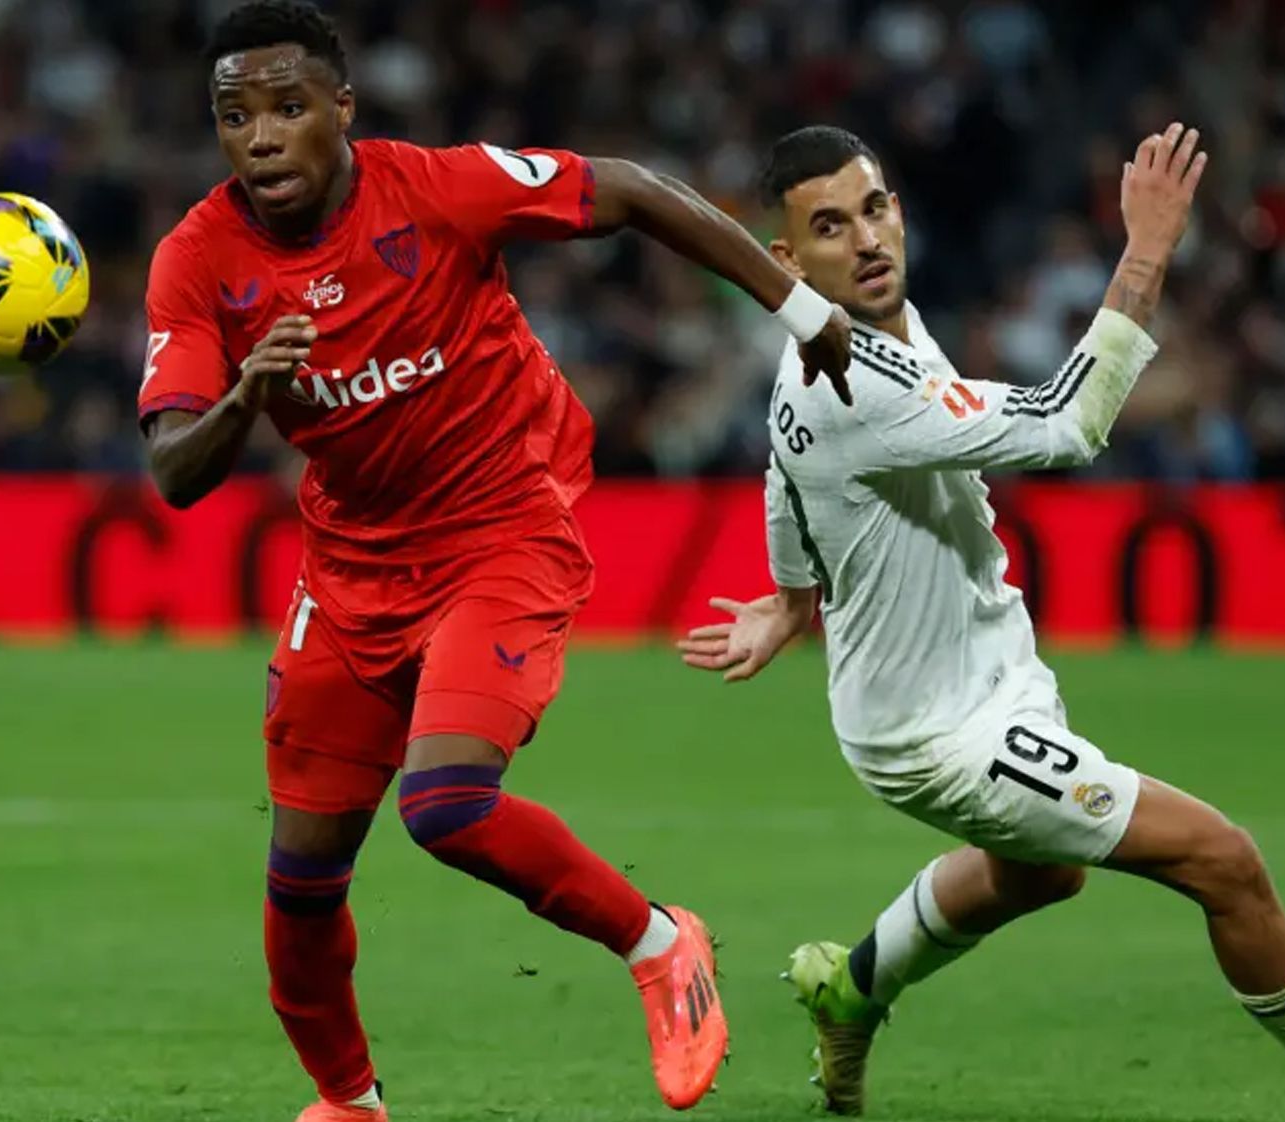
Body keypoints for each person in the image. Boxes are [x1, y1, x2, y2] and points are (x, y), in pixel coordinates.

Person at [135, 4, 855, 1119]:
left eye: (288, 107)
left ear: (342, 109)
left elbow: (626, 189)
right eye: (236, 117)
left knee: (446, 804)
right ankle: (348, 1103)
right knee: (301, 880)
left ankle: (660, 943)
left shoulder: (438, 188)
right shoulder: (196, 259)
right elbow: (176, 470)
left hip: (503, 527)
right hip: (351, 568)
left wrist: (796, 305)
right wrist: (247, 395)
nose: (262, 137)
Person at [677, 123, 1285, 1122]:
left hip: (977, 677)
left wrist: (794, 598)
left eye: (873, 209)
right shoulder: (854, 380)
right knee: (1220, 859)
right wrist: (1146, 250)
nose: (866, 240)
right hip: (938, 732)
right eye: (830, 227)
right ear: (786, 262)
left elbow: (780, 463)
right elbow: (1066, 424)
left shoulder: (854, 341)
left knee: (1042, 875)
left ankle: (851, 986)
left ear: (898, 211)